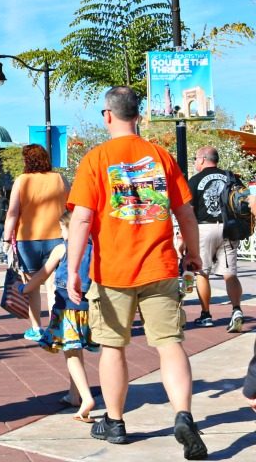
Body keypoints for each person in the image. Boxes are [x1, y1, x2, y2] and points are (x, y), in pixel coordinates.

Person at [66, 86, 207, 460]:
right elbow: (186, 213)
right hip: (159, 266)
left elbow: (81, 219)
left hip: (112, 271)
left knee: (113, 347)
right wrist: (192, 255)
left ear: (107, 115)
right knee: (170, 344)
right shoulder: (160, 156)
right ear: (137, 115)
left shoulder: (96, 159)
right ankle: (183, 415)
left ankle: (115, 422)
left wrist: (72, 272)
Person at [19, 210, 97, 422]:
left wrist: (24, 289)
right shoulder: (94, 249)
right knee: (76, 350)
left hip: (66, 309)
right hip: (87, 309)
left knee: (71, 355)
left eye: (62, 228)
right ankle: (74, 394)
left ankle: (87, 398)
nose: (61, 232)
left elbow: (42, 274)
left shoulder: (62, 248)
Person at [3, 143, 70, 341]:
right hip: (56, 237)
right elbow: (70, 204)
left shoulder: (22, 180)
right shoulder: (59, 178)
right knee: (53, 285)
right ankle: (55, 326)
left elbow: (13, 211)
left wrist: (8, 235)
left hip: (28, 239)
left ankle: (36, 328)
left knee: (32, 285)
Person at [187, 146, 245, 332]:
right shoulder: (231, 177)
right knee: (230, 273)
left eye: (195, 158)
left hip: (204, 228)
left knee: (202, 273)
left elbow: (188, 211)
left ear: (203, 159)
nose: (195, 162)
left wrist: (183, 236)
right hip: (229, 228)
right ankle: (236, 310)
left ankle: (206, 315)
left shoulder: (195, 180)